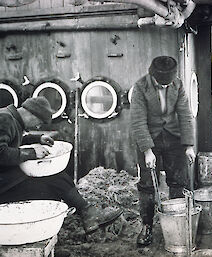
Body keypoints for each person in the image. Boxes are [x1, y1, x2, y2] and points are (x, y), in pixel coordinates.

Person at [0, 96, 122, 234]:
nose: (37, 126)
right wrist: (31, 153)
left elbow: (12, 140)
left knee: (54, 178)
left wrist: (37, 138)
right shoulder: (5, 119)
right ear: (31, 113)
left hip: (6, 177)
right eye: (39, 123)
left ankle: (87, 213)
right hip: (3, 185)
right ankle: (87, 213)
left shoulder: (11, 118)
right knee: (52, 181)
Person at [130, 56, 196, 247]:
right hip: (149, 138)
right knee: (147, 184)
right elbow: (138, 121)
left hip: (174, 137)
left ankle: (178, 223)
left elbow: (185, 114)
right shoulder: (141, 87)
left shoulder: (178, 84)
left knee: (178, 180)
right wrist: (147, 150)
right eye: (162, 84)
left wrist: (189, 145)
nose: (167, 87)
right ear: (153, 76)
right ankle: (147, 226)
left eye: (169, 84)